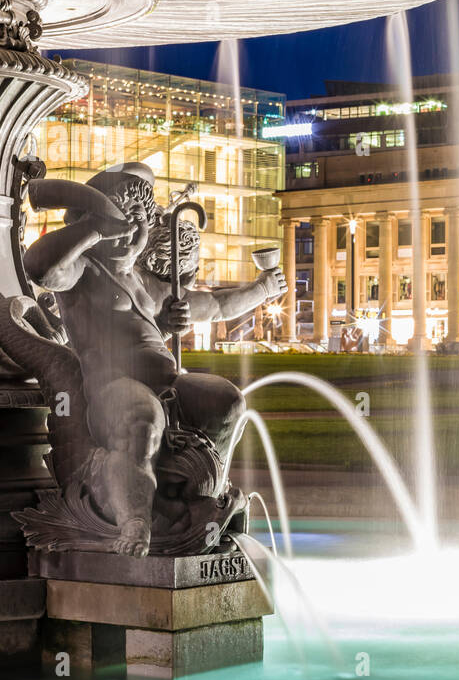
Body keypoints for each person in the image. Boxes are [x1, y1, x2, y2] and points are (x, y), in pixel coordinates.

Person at [23, 162, 287, 555]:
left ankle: (198, 491)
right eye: (119, 220)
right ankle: (135, 519)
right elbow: (40, 268)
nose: (130, 229)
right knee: (143, 419)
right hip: (112, 386)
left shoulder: (149, 283)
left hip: (167, 380)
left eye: (138, 220)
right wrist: (95, 227)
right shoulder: (83, 272)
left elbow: (214, 306)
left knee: (227, 401)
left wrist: (262, 289)